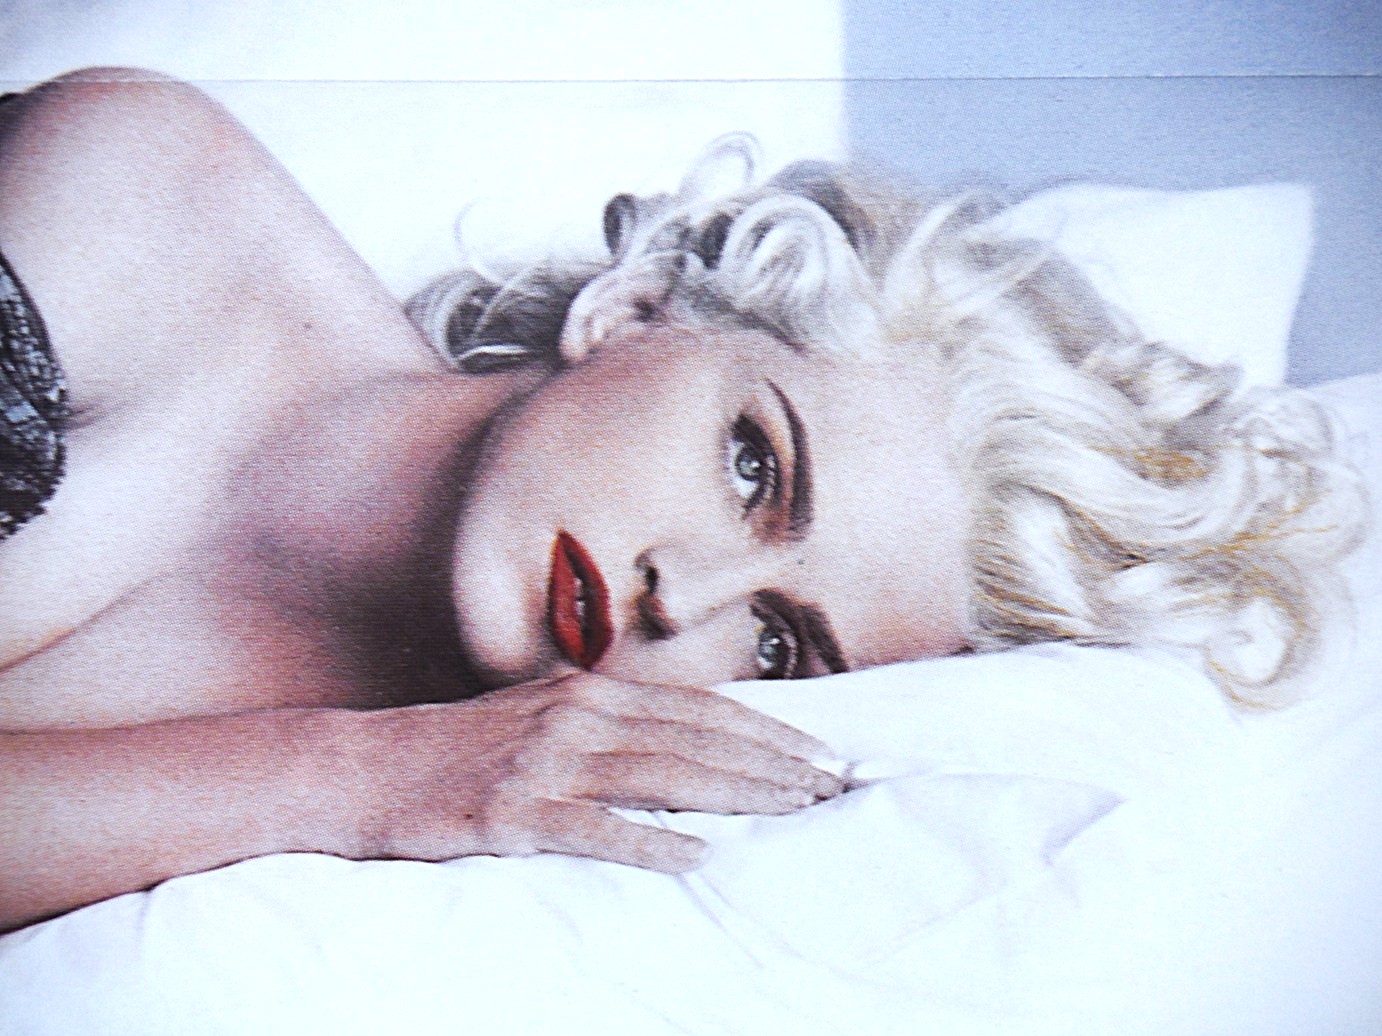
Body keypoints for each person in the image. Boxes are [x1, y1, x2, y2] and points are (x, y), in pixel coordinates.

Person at [0, 69, 1363, 933]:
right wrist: (352, 779)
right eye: (752, 465)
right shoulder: (148, 205)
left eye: (777, 643)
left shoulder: (492, 832)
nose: (682, 599)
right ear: (638, 305)